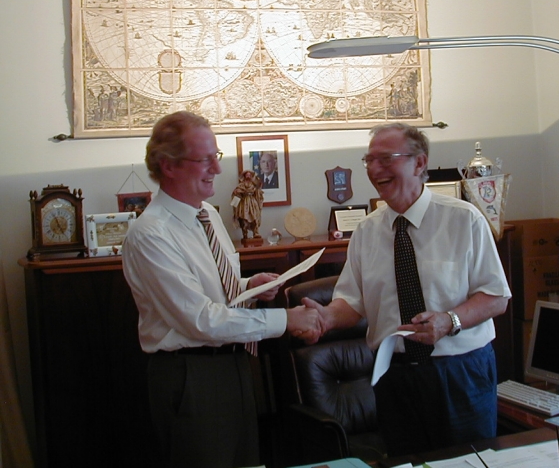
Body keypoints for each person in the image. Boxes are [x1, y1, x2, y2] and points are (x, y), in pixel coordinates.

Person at [122, 111, 322, 468]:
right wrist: (286, 320)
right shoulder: (151, 234)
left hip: (234, 365)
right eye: (204, 160)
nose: (216, 168)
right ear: (169, 166)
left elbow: (207, 288)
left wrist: (247, 287)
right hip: (191, 375)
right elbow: (200, 319)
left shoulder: (208, 215)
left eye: (216, 156)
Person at [301, 122, 511, 456]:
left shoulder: (464, 220)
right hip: (393, 377)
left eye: (386, 159)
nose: (374, 169)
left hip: (459, 372)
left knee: (468, 462)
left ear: (419, 162)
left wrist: (449, 321)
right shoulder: (367, 232)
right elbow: (351, 303)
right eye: (369, 160)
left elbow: (496, 297)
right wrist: (325, 318)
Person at [232, 170, 263, 240]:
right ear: (244, 176)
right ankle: (245, 233)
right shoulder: (241, 185)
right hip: (244, 203)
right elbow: (236, 193)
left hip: (252, 203)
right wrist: (238, 193)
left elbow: (258, 193)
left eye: (249, 175)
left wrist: (258, 189)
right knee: (244, 218)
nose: (248, 176)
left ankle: (255, 232)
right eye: (247, 175)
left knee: (255, 217)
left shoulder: (253, 185)